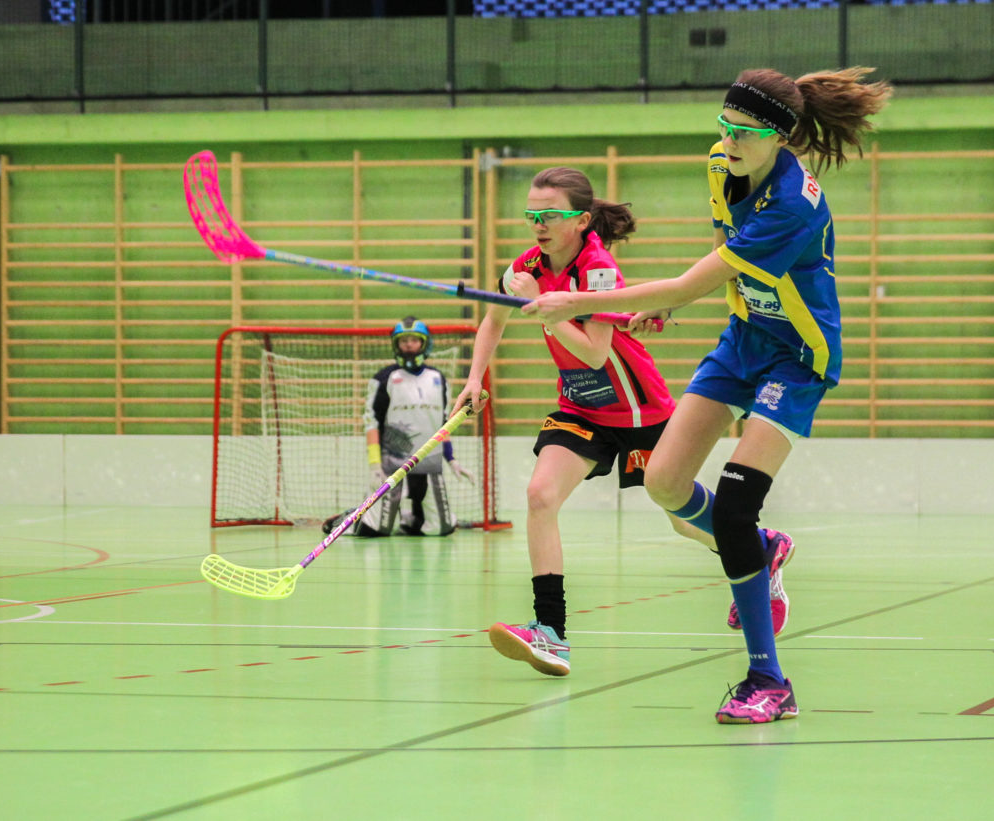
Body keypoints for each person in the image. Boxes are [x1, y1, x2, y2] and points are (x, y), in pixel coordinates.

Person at [525, 67, 892, 723]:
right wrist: (667, 308)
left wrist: (583, 301)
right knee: (665, 483)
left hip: (797, 356)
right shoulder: (722, 166)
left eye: (745, 133)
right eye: (723, 126)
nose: (729, 142)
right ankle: (766, 547)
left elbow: (696, 276)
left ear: (781, 137)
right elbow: (721, 258)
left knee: (733, 510)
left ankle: (768, 679)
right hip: (743, 338)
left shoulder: (795, 205)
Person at [453, 166, 794, 682]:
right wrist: (475, 377)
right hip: (580, 409)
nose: (537, 225)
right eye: (531, 215)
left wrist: (543, 310)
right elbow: (494, 317)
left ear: (581, 220)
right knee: (541, 495)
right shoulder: (527, 266)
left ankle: (759, 548)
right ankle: (552, 631)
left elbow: (592, 353)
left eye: (549, 215)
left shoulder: (597, 268)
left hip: (638, 408)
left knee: (682, 519)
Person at [323, 316, 472, 537]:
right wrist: (375, 465)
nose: (409, 345)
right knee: (376, 530)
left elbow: (443, 424)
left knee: (441, 529)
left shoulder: (438, 379)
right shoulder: (384, 379)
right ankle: (350, 517)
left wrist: (451, 459)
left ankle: (410, 518)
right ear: (396, 344)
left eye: (414, 339)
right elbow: (372, 422)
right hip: (392, 462)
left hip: (428, 460)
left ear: (424, 343)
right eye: (404, 340)